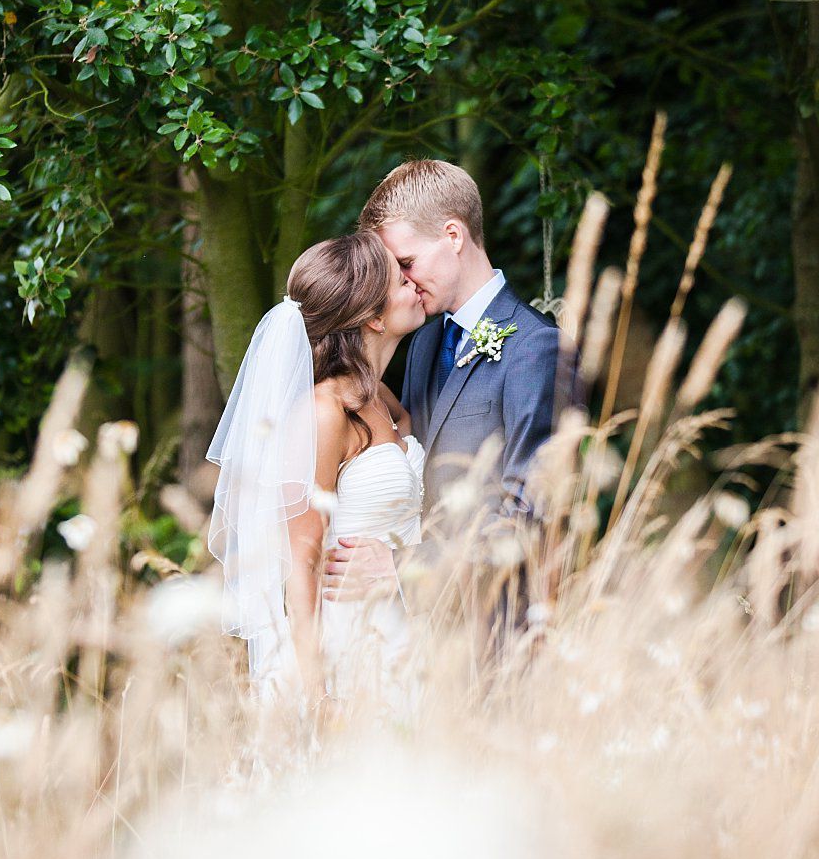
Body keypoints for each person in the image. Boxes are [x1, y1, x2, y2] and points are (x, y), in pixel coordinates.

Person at [323, 159, 580, 617]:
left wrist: (402, 568)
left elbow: (531, 515)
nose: (399, 282)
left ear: (453, 236)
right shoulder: (425, 341)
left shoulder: (537, 348)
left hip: (496, 629)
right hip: (420, 629)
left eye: (406, 263)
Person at [206, 231, 426, 711]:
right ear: (371, 316)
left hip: (395, 624)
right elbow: (300, 563)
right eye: (399, 278)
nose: (414, 281)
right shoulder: (324, 412)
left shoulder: (378, 397)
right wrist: (316, 692)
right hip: (346, 642)